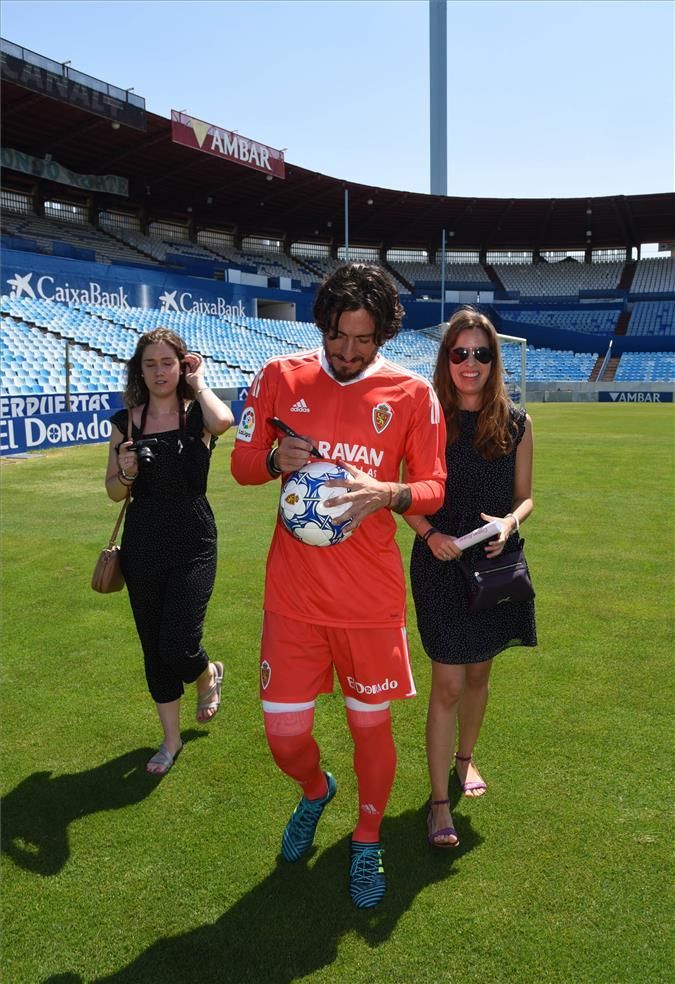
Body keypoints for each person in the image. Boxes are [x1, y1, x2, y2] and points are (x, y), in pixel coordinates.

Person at [230, 263, 446, 908]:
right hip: (292, 598)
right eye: (338, 338)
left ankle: (367, 837)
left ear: (383, 335)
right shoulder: (279, 377)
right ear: (321, 326)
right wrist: (274, 460)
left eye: (364, 341)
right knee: (283, 736)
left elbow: (434, 486)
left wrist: (391, 491)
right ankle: (315, 792)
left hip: (369, 602)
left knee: (369, 729)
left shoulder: (412, 395)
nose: (349, 353)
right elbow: (242, 464)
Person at [405, 307, 536, 848]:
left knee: (480, 675)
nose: (470, 363)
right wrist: (428, 533)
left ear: (494, 360)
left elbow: (525, 498)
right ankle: (439, 804)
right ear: (446, 358)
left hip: (495, 565)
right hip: (439, 564)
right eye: (460, 353)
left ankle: (465, 760)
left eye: (481, 353)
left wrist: (510, 520)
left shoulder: (518, 423)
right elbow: (402, 493)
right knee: (449, 681)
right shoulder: (427, 416)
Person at [105, 327, 234, 775]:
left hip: (194, 538)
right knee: (153, 647)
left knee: (178, 642)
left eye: (168, 362)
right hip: (142, 542)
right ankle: (170, 740)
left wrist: (199, 384)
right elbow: (113, 493)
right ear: (139, 370)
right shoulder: (127, 421)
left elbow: (224, 422)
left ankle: (206, 674)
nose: (159, 371)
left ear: (182, 365)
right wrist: (123, 474)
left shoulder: (197, 413)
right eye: (150, 364)